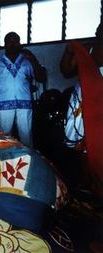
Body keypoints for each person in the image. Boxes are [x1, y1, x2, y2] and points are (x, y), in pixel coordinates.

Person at [60, 24, 103, 199]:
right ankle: (89, 183)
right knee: (82, 143)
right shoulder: (88, 49)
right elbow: (66, 71)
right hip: (85, 99)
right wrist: (69, 51)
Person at [0, 32, 46, 147]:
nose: (12, 44)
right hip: (4, 105)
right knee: (4, 136)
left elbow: (41, 78)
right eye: (9, 41)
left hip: (25, 104)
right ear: (4, 44)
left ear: (19, 44)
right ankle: (6, 161)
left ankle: (28, 161)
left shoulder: (27, 61)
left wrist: (33, 59)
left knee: (26, 136)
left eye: (15, 41)